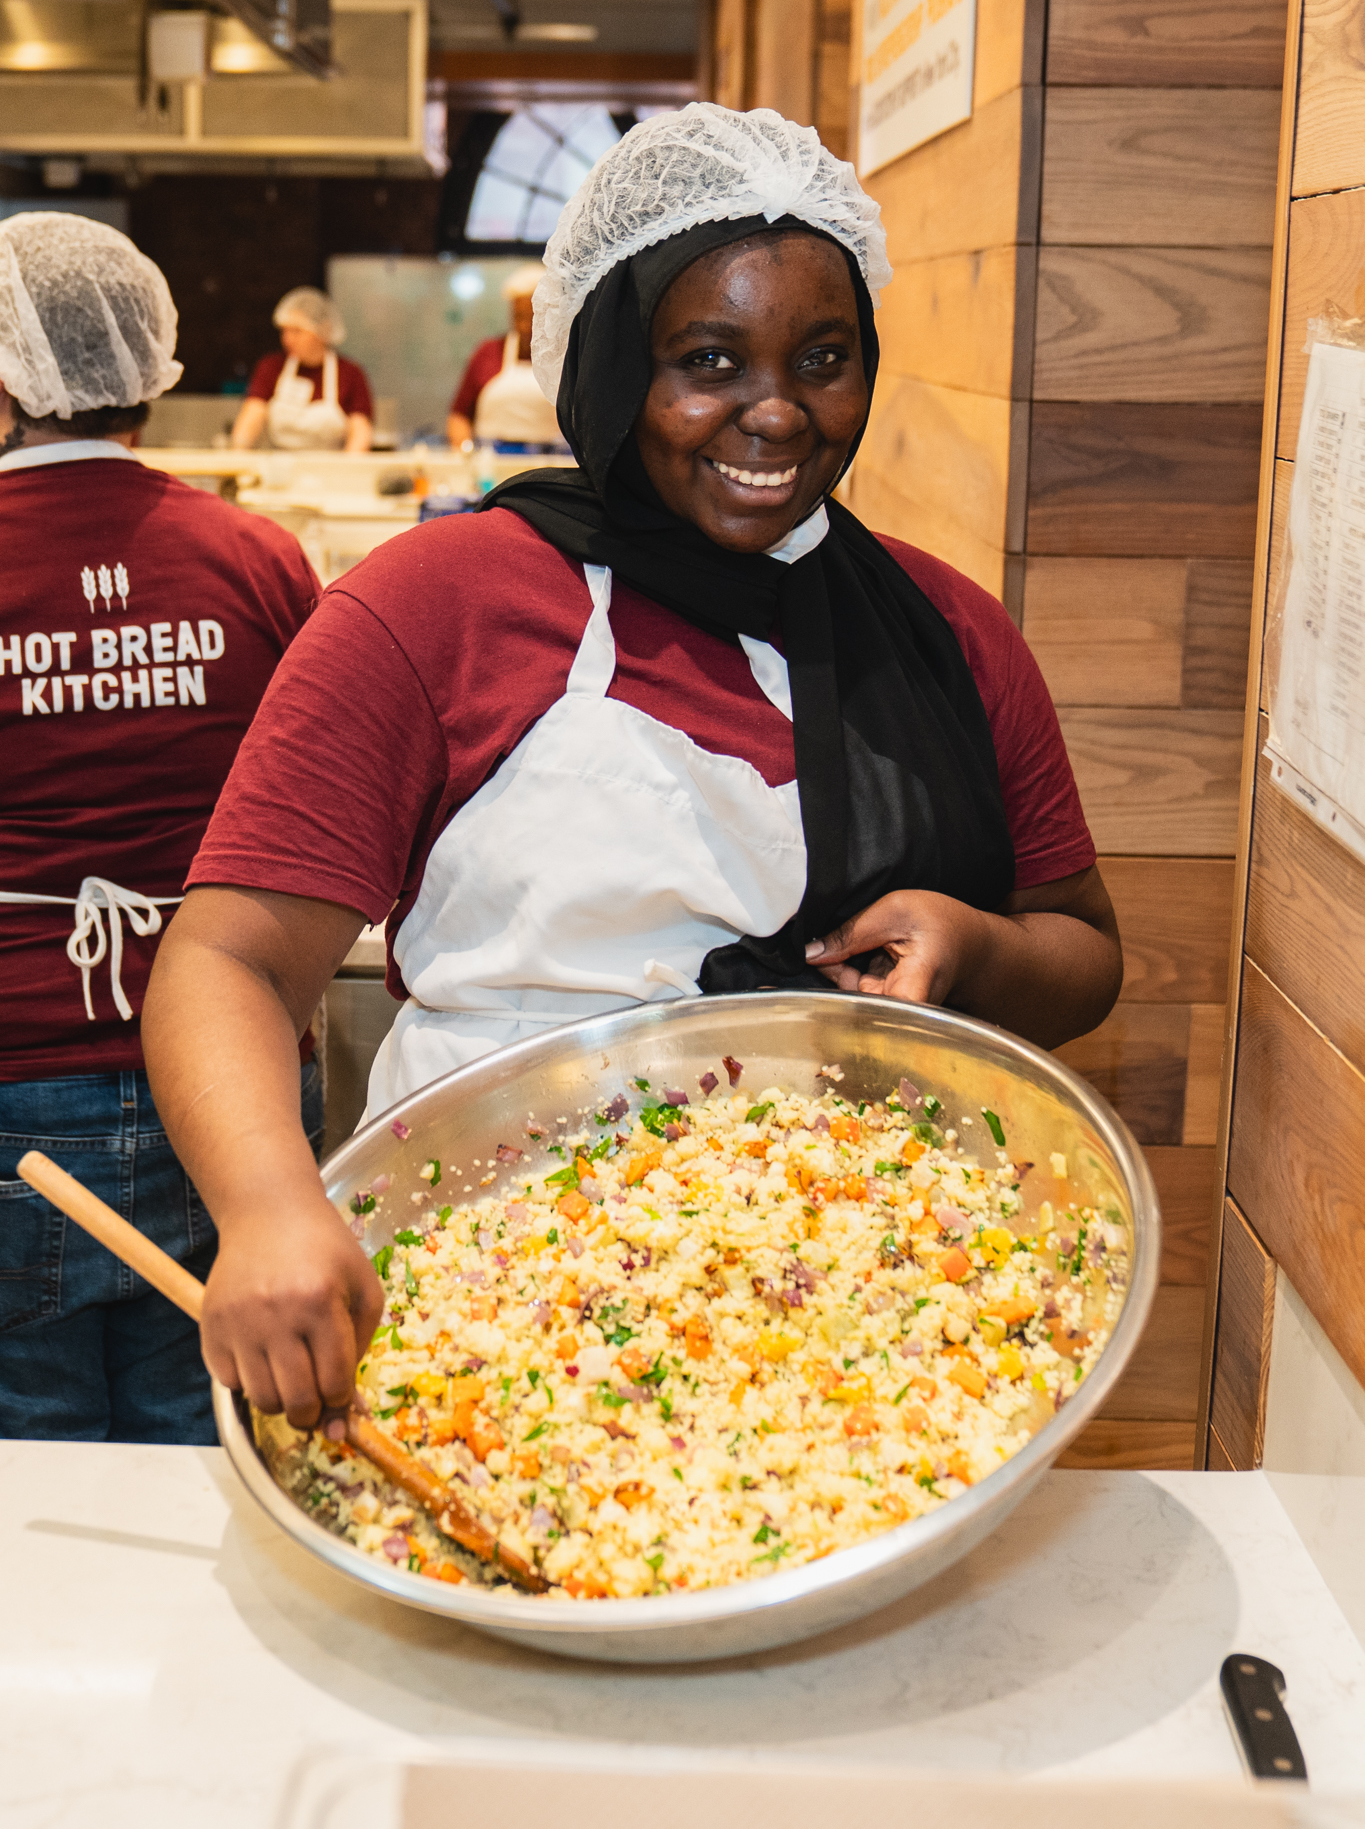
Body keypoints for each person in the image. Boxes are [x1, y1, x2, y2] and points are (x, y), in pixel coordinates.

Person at [142, 105, 1123, 1431]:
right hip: (493, 1308)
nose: (774, 414)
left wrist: (974, 948)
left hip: (859, 1334)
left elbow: (1082, 949)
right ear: (609, 362)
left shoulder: (946, 635)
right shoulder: (442, 604)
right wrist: (266, 1208)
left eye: (823, 359)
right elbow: (229, 960)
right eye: (706, 360)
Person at [0, 212, 323, 1443]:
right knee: (225, 1456)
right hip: (230, 1096)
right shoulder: (254, 556)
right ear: (149, 360)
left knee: (29, 1493)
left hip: (16, 1092)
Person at [231, 287, 373, 453]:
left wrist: (349, 469)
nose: (287, 339)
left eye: (297, 331)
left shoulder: (350, 373)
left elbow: (360, 430)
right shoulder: (272, 367)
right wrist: (238, 452)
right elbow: (252, 415)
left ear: (323, 331)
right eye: (285, 330)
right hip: (279, 470)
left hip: (331, 471)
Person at [444, 262, 562, 450]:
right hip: (490, 466)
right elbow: (459, 416)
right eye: (518, 316)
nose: (524, 326)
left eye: (532, 317)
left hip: (550, 464)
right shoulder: (488, 353)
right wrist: (464, 453)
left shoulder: (565, 359)